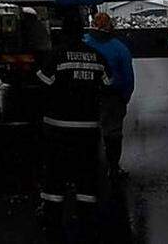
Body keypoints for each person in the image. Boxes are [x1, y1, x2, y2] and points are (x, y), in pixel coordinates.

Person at [35, 21, 112, 231]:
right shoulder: (96, 56)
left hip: (57, 127)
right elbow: (108, 84)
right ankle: (86, 215)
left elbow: (42, 83)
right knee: (86, 171)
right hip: (87, 127)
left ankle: (52, 216)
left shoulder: (57, 55)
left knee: (55, 171)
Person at [84, 12, 134, 179]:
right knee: (113, 133)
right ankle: (113, 167)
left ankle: (88, 168)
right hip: (112, 97)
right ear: (109, 26)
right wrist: (124, 98)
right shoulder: (119, 48)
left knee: (87, 131)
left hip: (86, 95)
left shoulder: (83, 43)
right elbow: (127, 77)